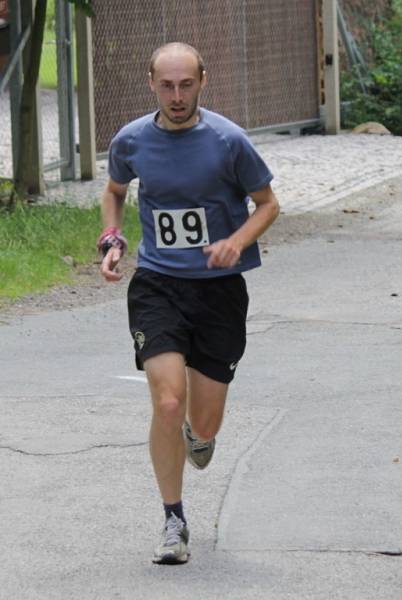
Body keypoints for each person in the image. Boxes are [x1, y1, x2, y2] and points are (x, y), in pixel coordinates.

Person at [98, 42, 279, 565]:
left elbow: (268, 204)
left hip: (220, 289)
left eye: (186, 84)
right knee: (168, 400)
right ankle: (173, 518)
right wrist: (112, 238)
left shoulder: (228, 141)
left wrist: (237, 241)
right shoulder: (131, 140)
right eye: (166, 85)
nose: (177, 96)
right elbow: (114, 190)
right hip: (157, 284)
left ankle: (198, 435)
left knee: (206, 422)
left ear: (203, 80)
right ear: (150, 83)